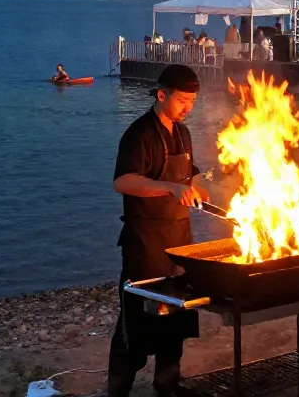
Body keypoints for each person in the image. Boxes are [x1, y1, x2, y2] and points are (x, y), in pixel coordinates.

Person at [108, 65, 208, 396]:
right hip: (146, 245)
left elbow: (191, 173)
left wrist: (202, 187)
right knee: (136, 322)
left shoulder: (183, 133)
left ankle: (167, 388)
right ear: (162, 95)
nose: (188, 107)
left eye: (192, 101)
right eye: (182, 100)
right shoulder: (139, 134)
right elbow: (123, 181)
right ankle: (118, 391)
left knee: (175, 320)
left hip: (179, 242)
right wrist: (170, 188)